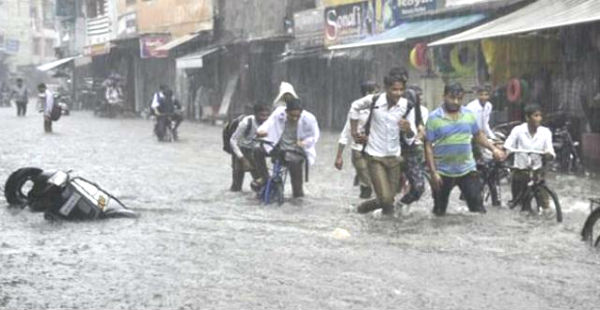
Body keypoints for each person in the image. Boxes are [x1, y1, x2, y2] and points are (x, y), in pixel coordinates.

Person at [424, 82, 505, 216]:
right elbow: (428, 146)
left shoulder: (468, 115)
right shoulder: (434, 118)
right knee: (439, 213)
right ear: (444, 96)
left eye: (459, 99)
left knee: (479, 211)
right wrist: (433, 173)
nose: (455, 102)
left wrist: (493, 149)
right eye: (452, 98)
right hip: (442, 172)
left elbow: (478, 135)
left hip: (467, 170)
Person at [349, 68, 416, 215]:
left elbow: (411, 138)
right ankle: (378, 225)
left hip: (394, 157)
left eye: (401, 90)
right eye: (394, 89)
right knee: (386, 199)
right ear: (386, 88)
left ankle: (364, 212)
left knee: (388, 201)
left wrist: (408, 129)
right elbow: (354, 107)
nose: (397, 93)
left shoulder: (408, 106)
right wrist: (354, 132)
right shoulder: (374, 100)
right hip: (374, 156)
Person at [256, 98, 320, 198]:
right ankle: (265, 178)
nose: (294, 118)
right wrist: (261, 131)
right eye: (292, 115)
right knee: (257, 151)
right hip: (278, 148)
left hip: (296, 151)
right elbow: (267, 124)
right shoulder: (279, 113)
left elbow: (314, 136)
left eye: (297, 116)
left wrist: (304, 142)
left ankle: (297, 198)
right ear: (286, 112)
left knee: (297, 189)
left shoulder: (309, 119)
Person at [503, 104, 555, 212]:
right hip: (520, 170)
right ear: (527, 117)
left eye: (540, 116)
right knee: (519, 205)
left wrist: (548, 154)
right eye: (535, 116)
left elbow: (550, 149)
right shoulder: (518, 130)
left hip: (537, 171)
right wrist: (504, 153)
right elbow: (508, 145)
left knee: (545, 206)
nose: (539, 119)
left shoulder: (545, 132)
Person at [335, 81, 378, 199]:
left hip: (376, 149)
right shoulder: (356, 110)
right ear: (367, 93)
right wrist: (339, 156)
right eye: (375, 92)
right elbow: (345, 133)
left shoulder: (381, 110)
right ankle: (361, 210)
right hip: (358, 150)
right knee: (367, 185)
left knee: (378, 183)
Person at [229, 103, 271, 192]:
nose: (265, 118)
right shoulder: (246, 123)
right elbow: (233, 141)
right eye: (262, 115)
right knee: (236, 186)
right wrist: (242, 159)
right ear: (255, 114)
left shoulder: (269, 123)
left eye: (267, 115)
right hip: (240, 151)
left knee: (261, 180)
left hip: (255, 152)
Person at [399, 85, 429, 205]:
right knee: (388, 192)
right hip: (392, 153)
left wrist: (420, 132)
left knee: (418, 187)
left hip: (412, 152)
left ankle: (400, 206)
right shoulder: (392, 110)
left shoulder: (421, 111)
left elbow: (420, 127)